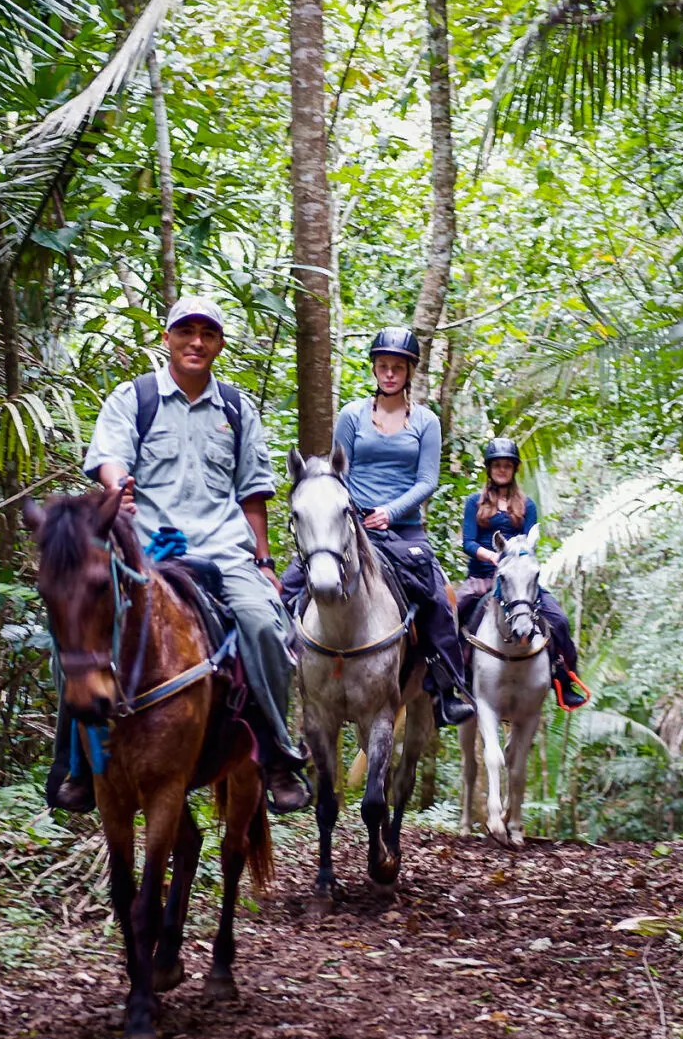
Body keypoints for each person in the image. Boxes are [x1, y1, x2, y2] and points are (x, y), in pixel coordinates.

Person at [80, 294, 311, 813]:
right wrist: (120, 487)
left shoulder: (236, 408)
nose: (197, 342)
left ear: (219, 344)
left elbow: (253, 493)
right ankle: (74, 758)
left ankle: (276, 750)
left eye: (208, 334)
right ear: (167, 339)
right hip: (148, 552)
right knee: (75, 623)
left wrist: (265, 562)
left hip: (224, 551)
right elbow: (110, 459)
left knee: (265, 626)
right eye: (186, 331)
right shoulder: (132, 398)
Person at [280, 327, 475, 728]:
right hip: (352, 526)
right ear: (375, 369)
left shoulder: (425, 421)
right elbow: (338, 471)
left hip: (403, 532)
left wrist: (390, 510)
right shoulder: (352, 416)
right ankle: (285, 665)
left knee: (439, 601)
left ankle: (446, 689)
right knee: (291, 584)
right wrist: (350, 513)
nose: (389, 374)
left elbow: (427, 480)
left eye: (397, 367)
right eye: (383, 366)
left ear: (409, 372)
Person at [458, 437, 590, 708]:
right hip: (483, 577)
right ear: (489, 469)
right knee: (451, 613)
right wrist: (494, 556)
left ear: (514, 469)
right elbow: (468, 542)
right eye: (497, 465)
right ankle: (449, 681)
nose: (502, 470)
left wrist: (516, 565)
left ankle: (565, 681)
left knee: (560, 621)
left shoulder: (527, 506)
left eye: (507, 465)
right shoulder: (474, 502)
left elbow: (530, 543)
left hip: (520, 582)